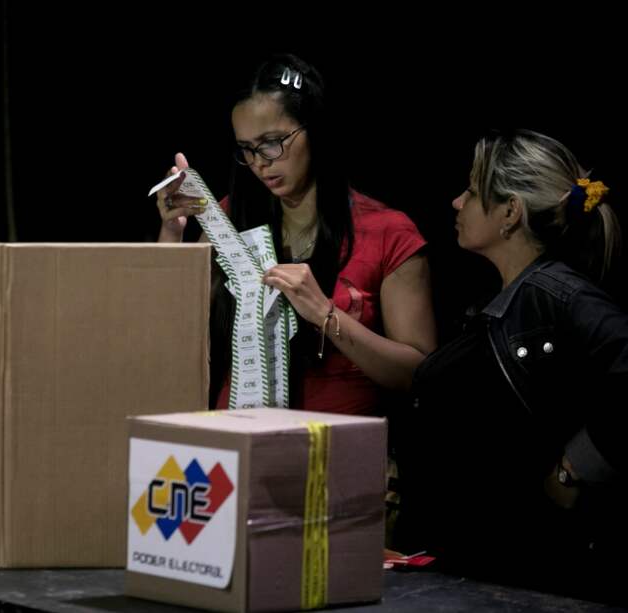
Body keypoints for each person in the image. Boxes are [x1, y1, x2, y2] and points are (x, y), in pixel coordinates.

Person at [396, 129, 628, 604]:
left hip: (525, 582)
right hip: (475, 576)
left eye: (472, 192)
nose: (457, 202)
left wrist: (572, 470)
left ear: (510, 213)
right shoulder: (509, 299)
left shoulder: (554, 294)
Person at [154, 53, 436, 415]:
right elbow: (168, 328)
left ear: (314, 129)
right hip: (238, 442)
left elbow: (419, 374)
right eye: (247, 149)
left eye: (273, 142)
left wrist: (325, 314)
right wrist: (171, 236)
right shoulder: (229, 218)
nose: (259, 162)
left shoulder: (388, 232)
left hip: (338, 449)